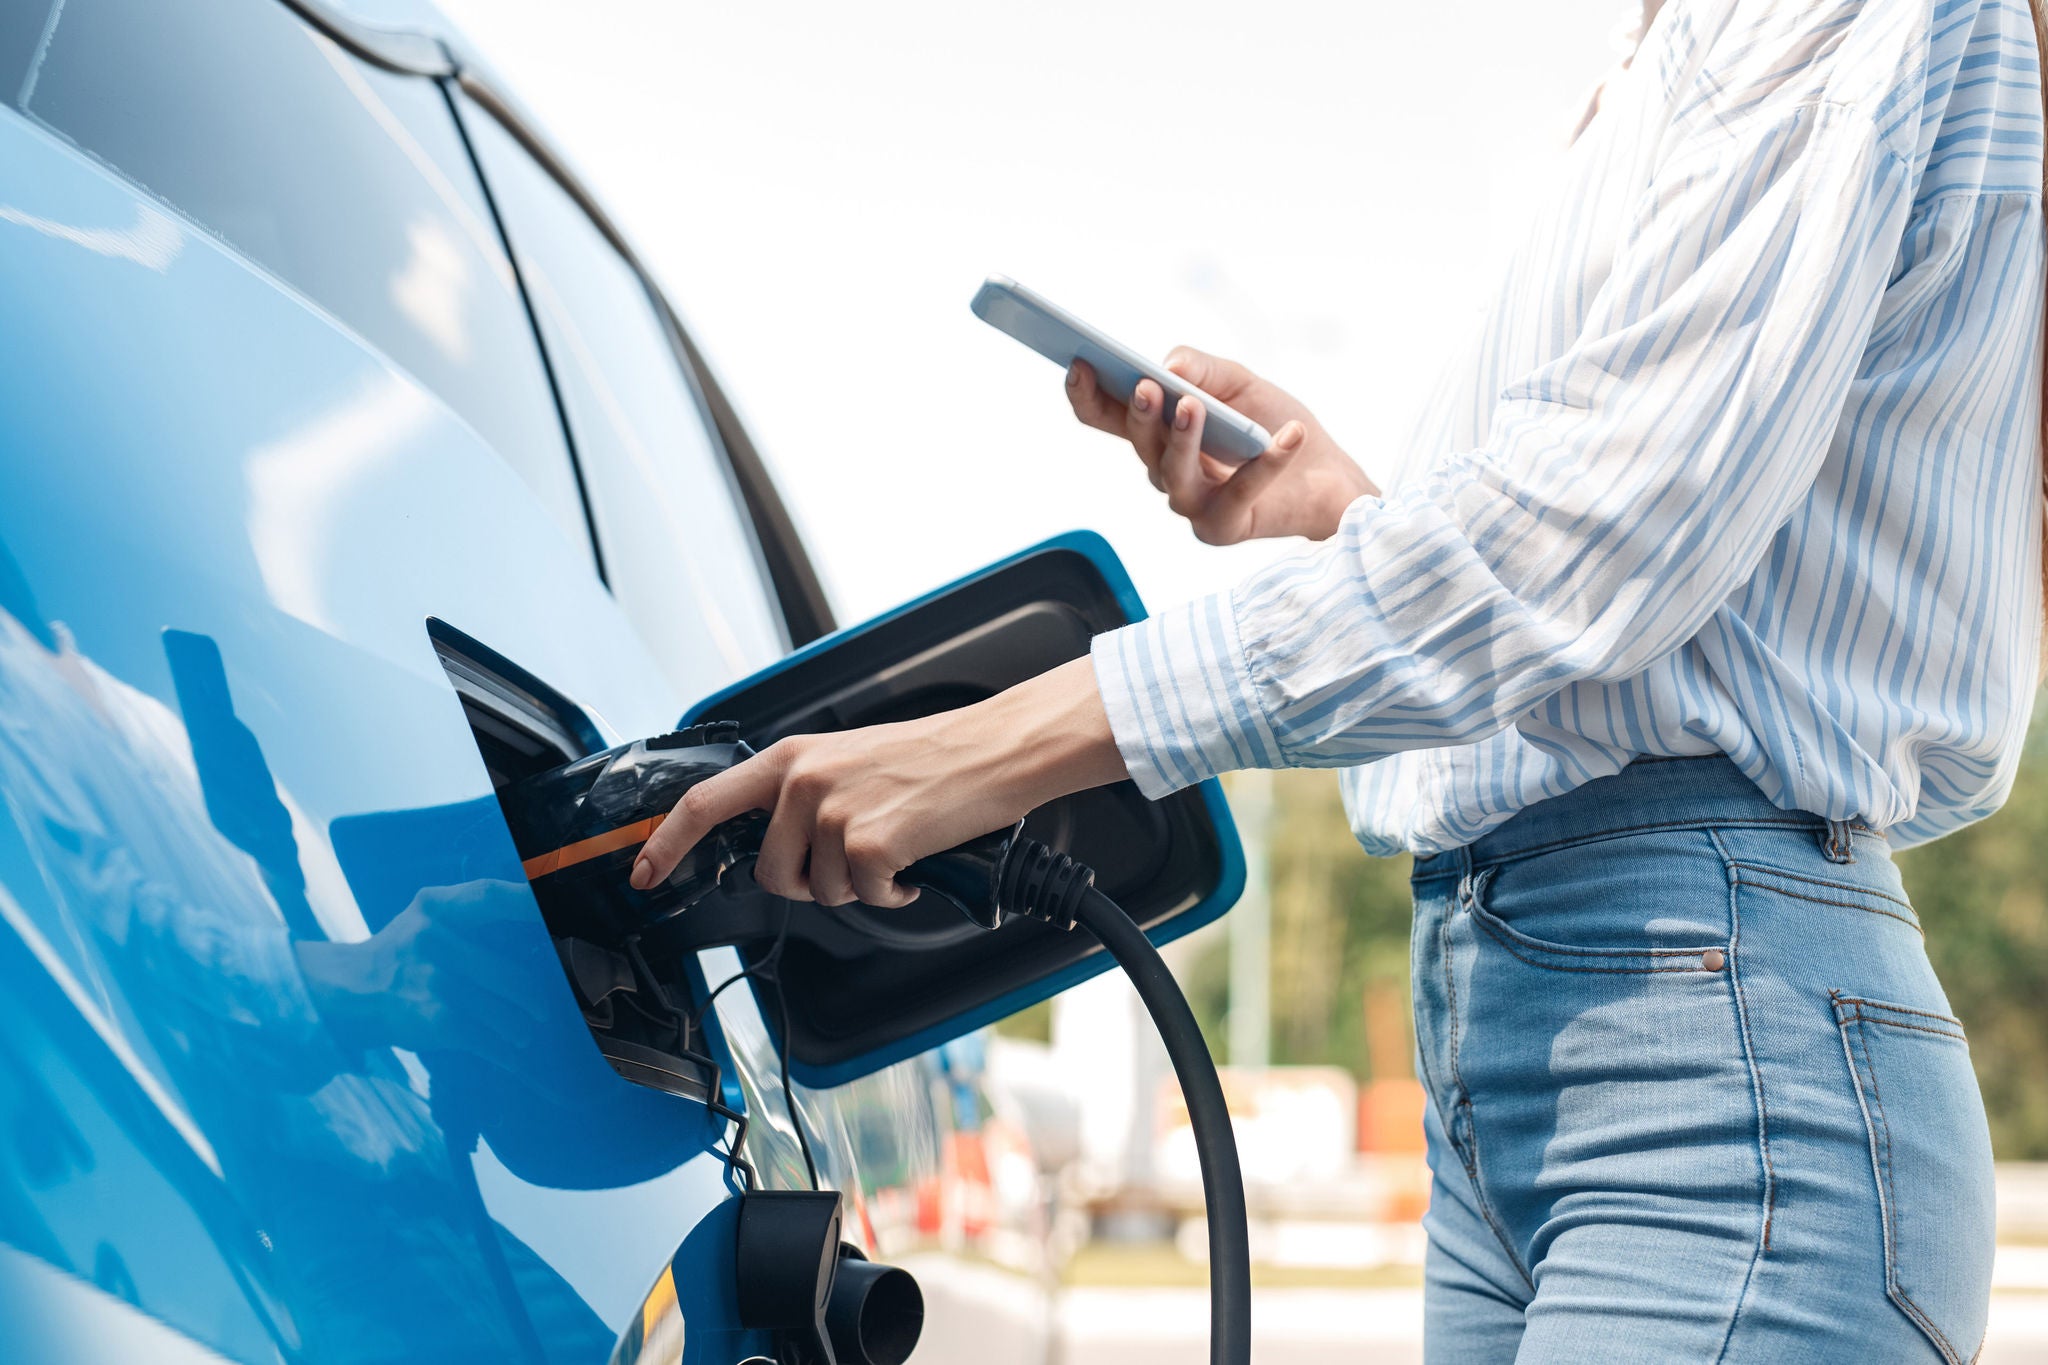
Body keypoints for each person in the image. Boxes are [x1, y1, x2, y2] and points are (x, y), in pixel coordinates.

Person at [633, 0, 2045, 1357]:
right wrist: (1350, 513)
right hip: (1528, 1026)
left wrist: (982, 751)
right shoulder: (1663, 55)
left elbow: (1583, 550)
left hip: (1714, 1064)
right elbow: (1622, 583)